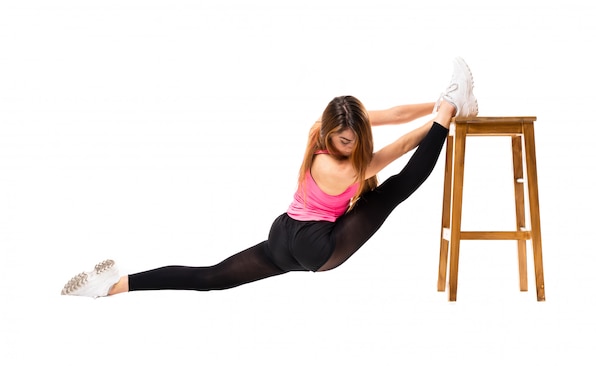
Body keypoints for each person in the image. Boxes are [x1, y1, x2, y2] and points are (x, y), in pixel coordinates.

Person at [60, 57, 479, 298]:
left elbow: (392, 115)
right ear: (331, 133)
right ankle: (452, 109)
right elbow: (404, 145)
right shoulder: (343, 167)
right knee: (393, 191)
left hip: (283, 237)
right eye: (344, 140)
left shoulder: (321, 128)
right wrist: (446, 114)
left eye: (353, 139)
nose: (348, 144)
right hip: (318, 246)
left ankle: (113, 286)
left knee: (210, 278)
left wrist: (436, 100)